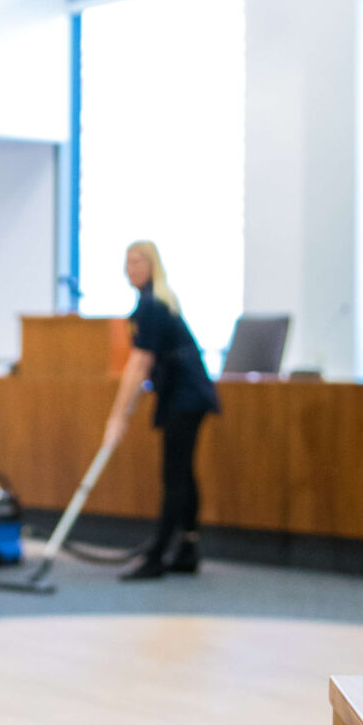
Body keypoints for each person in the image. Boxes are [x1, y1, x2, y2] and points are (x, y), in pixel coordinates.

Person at [103, 241, 220, 580]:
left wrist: (118, 417)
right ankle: (186, 548)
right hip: (183, 396)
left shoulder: (153, 305)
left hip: (186, 397)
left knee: (175, 475)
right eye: (128, 262)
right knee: (183, 473)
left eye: (138, 261)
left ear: (153, 266)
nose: (131, 268)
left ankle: (156, 556)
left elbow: (139, 364)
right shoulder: (152, 303)